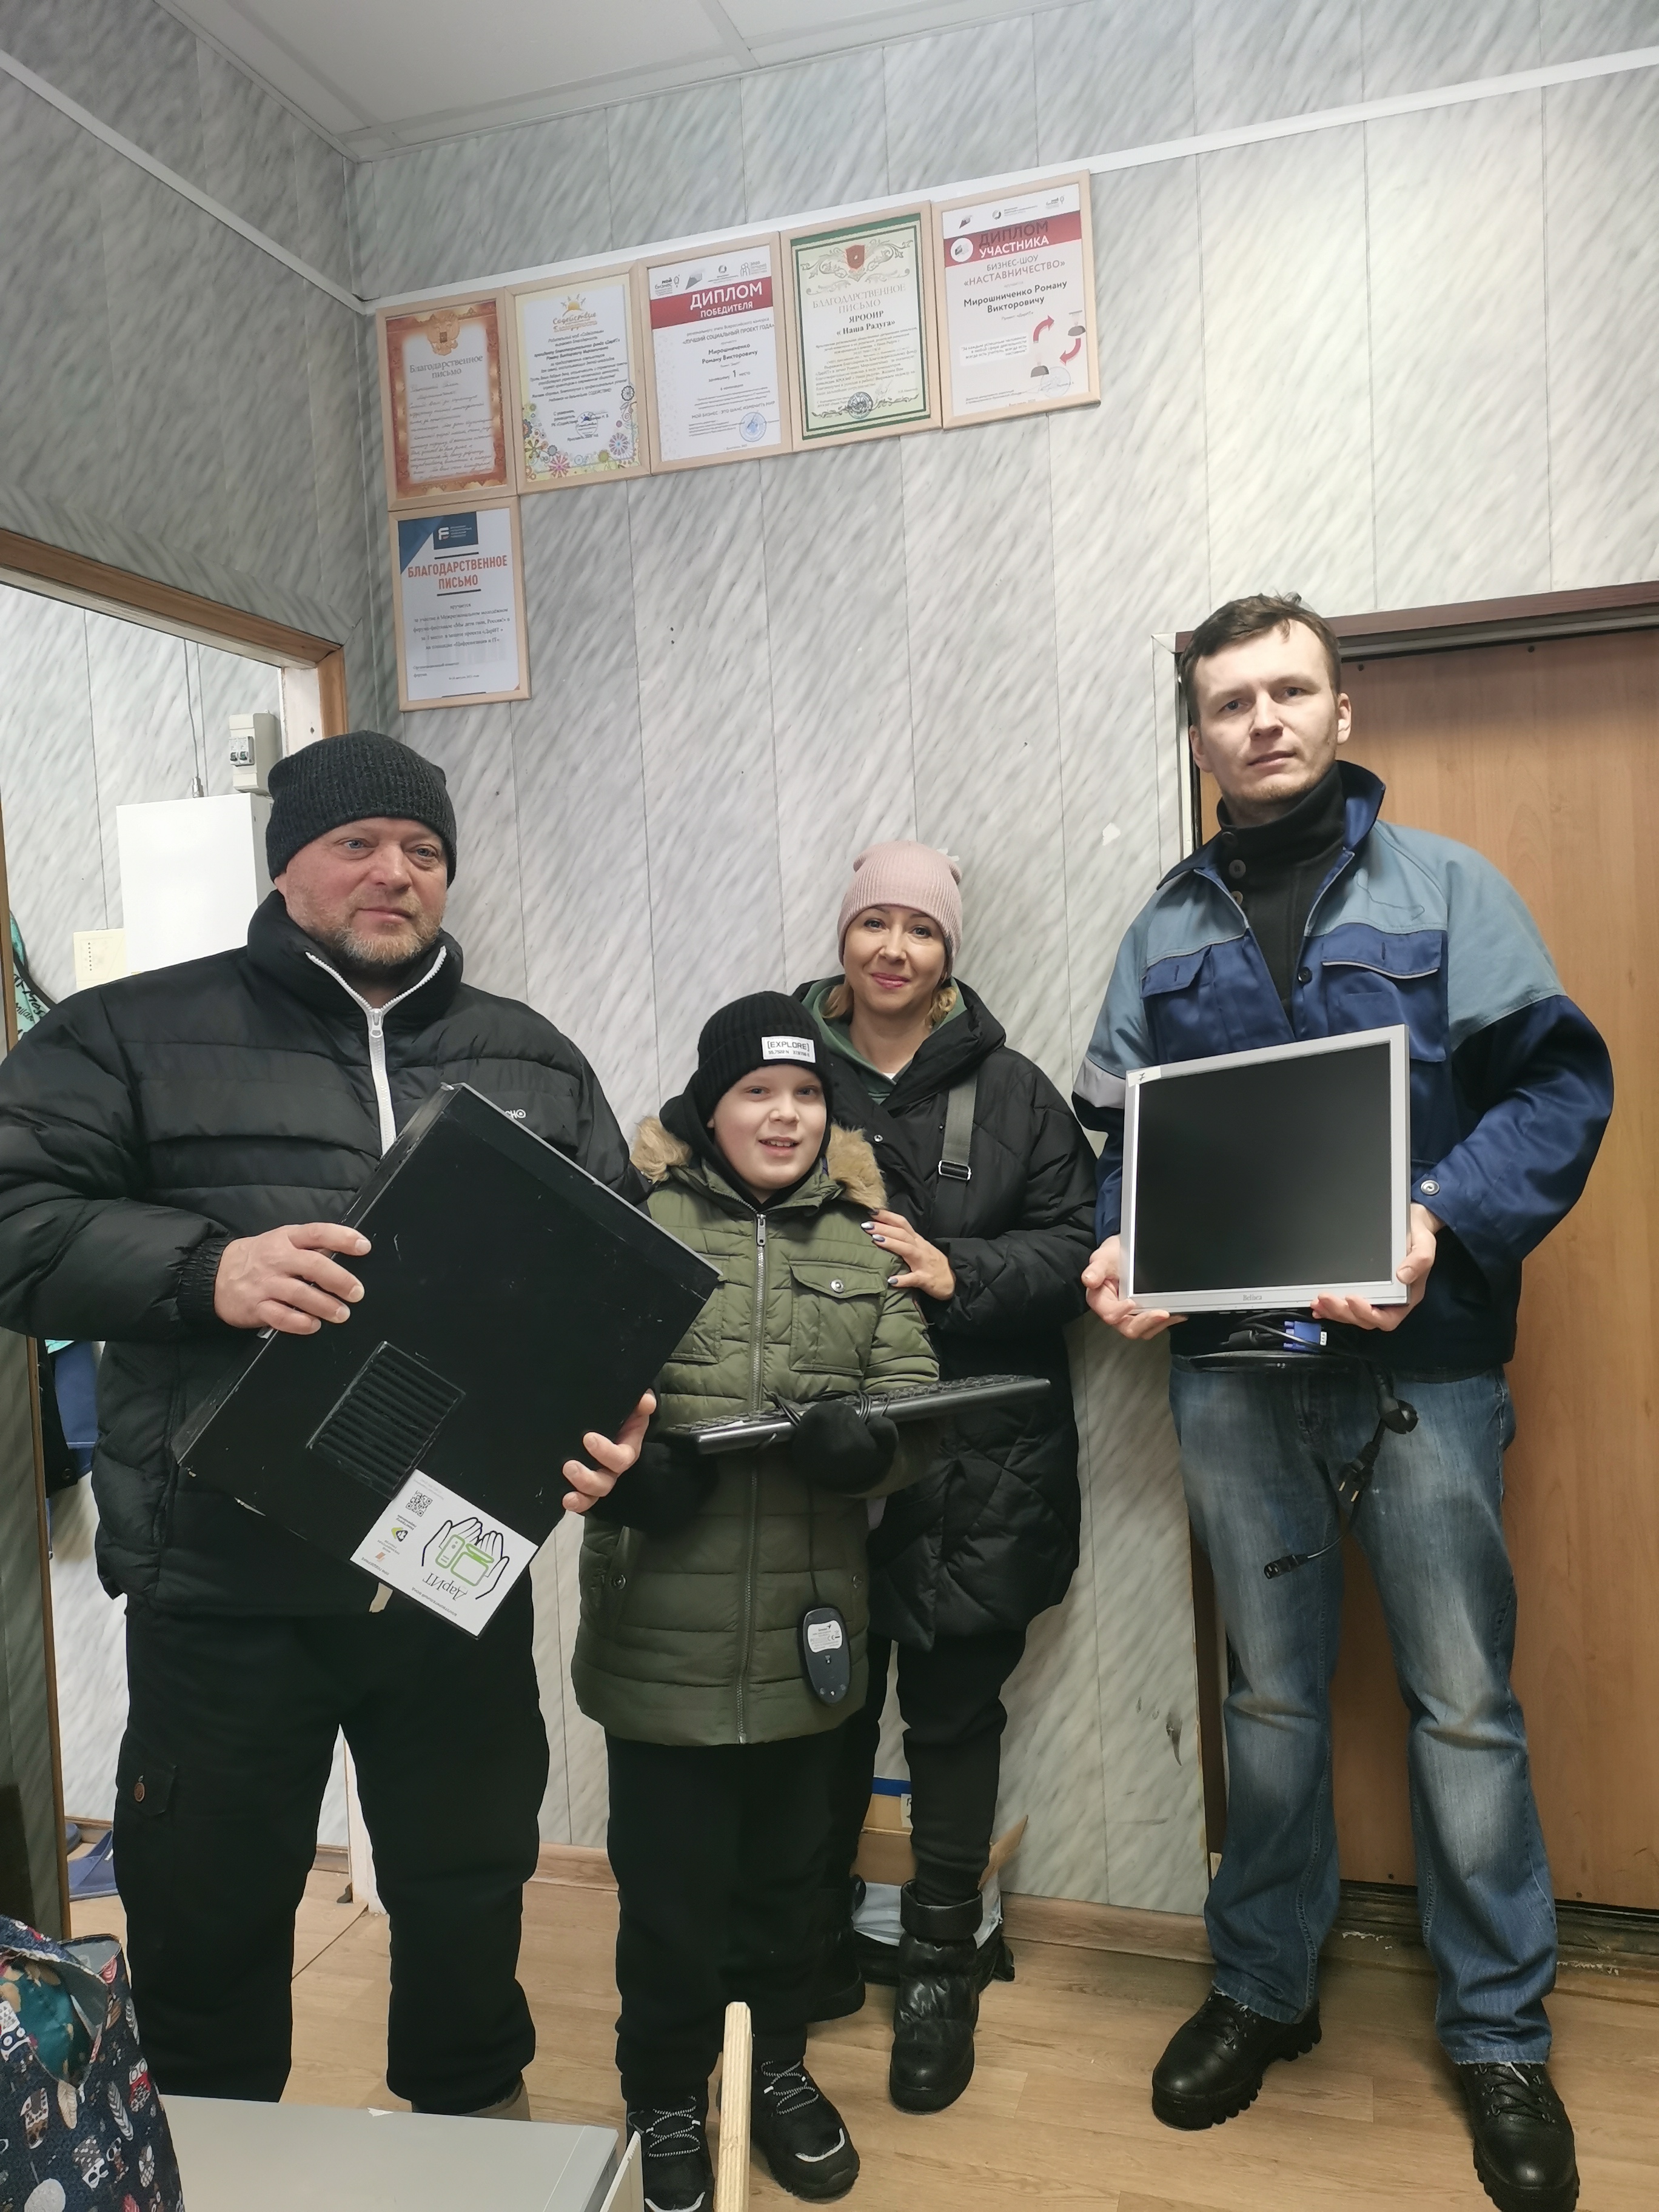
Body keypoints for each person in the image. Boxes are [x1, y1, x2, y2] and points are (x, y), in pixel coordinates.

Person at [0, 731, 651, 2118]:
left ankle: (475, 2129)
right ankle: (214, 2155)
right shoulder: (127, 1035)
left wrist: (615, 1415)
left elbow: (617, 1275)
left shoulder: (532, 1058)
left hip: (453, 1574)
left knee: (470, 1883)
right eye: (358, 842)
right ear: (286, 861)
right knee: (210, 1910)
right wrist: (207, 1272)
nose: (393, 872)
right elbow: (15, 1222)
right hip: (222, 1579)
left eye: (423, 850)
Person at [1074, 597, 1612, 2212]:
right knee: (1271, 1704)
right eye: (1230, 700)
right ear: (1198, 735)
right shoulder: (1160, 933)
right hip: (1236, 1381)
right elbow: (1118, 1147)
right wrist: (1120, 1249)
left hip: (1424, 1373)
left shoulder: (1450, 891)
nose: (1263, 720)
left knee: (1465, 1708)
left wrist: (1438, 1218)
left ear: (1341, 710)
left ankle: (1499, 2034)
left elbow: (1559, 1089)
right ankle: (1263, 1989)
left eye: (1290, 690)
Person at [572, 994, 939, 2209]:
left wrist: (869, 1453)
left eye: (807, 1095)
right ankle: (665, 2093)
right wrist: (632, 1478)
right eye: (757, 1094)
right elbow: (563, 1392)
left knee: (793, 1886)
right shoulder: (635, 1218)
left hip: (809, 1632)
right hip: (658, 1636)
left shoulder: (867, 1240)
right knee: (669, 1900)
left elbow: (916, 1407)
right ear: (709, 1107)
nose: (785, 1117)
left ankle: (777, 2067)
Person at [799, 842, 1097, 2114]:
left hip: (985, 1462)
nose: (895, 948)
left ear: (949, 954)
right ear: (844, 938)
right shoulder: (781, 1074)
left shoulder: (1017, 1092)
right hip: (814, 1456)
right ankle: (809, 1946)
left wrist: (956, 1271)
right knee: (818, 1714)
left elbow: (1080, 1248)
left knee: (956, 1717)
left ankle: (939, 1963)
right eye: (874, 921)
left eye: (920, 928)